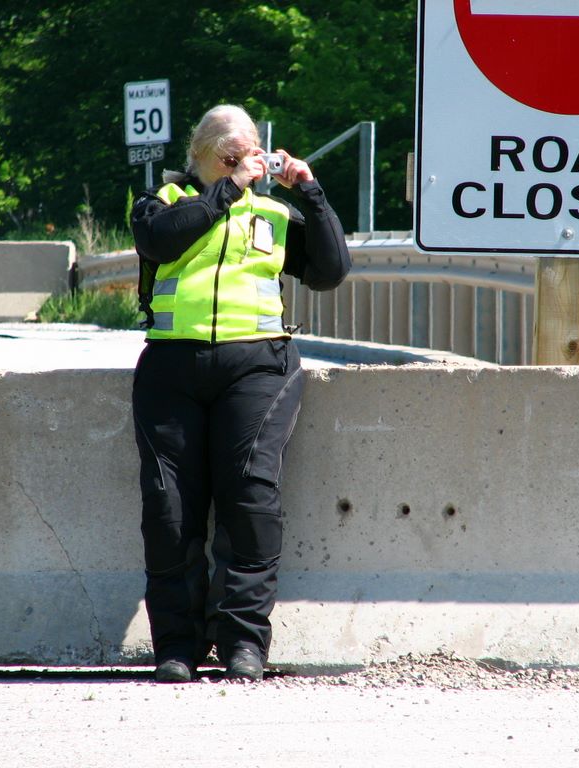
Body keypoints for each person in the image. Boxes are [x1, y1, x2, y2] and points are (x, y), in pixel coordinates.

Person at [130, 104, 351, 682]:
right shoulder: (162, 203)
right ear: (198, 157)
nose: (239, 167)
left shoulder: (272, 213)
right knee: (169, 508)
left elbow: (330, 270)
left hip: (258, 367)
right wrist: (228, 190)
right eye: (226, 159)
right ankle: (176, 645)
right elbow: (160, 243)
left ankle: (243, 643)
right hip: (173, 367)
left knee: (250, 498)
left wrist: (310, 193)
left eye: (247, 156)